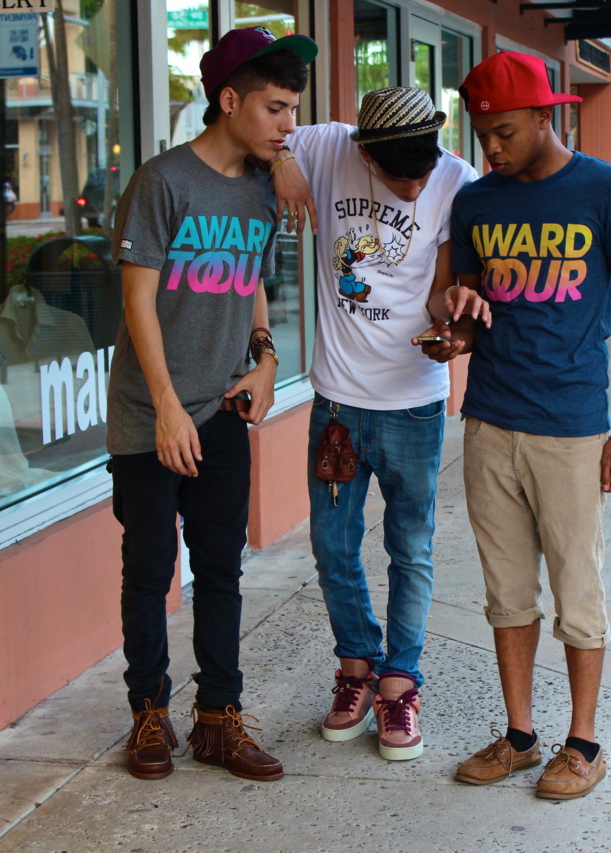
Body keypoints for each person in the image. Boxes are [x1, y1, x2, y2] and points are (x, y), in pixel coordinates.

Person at [106, 25, 316, 782]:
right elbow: (137, 301)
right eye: (275, 108)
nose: (288, 125)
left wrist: (266, 360)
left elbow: (252, 278)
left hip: (224, 408)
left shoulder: (263, 187)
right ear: (229, 101)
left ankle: (219, 720)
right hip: (150, 415)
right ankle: (148, 713)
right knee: (149, 571)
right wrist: (165, 406)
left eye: (293, 110)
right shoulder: (161, 182)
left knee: (222, 570)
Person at [446, 51, 611, 801]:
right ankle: (521, 735)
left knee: (577, 586)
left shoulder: (608, 190)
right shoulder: (475, 202)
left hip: (571, 426)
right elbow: (466, 309)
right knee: (505, 589)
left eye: (503, 132)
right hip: (489, 420)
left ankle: (584, 743)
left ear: (544, 116)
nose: (491, 149)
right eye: (481, 136)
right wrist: (451, 332)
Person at [269, 87, 486, 761]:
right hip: (336, 403)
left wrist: (449, 328)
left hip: (413, 405)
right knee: (332, 548)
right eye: (399, 179)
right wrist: (280, 160)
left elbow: (440, 294)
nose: (414, 187)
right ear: (365, 154)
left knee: (410, 548)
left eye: (422, 174)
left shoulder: (455, 179)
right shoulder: (326, 146)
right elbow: (253, 126)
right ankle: (356, 666)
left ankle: (400, 681)